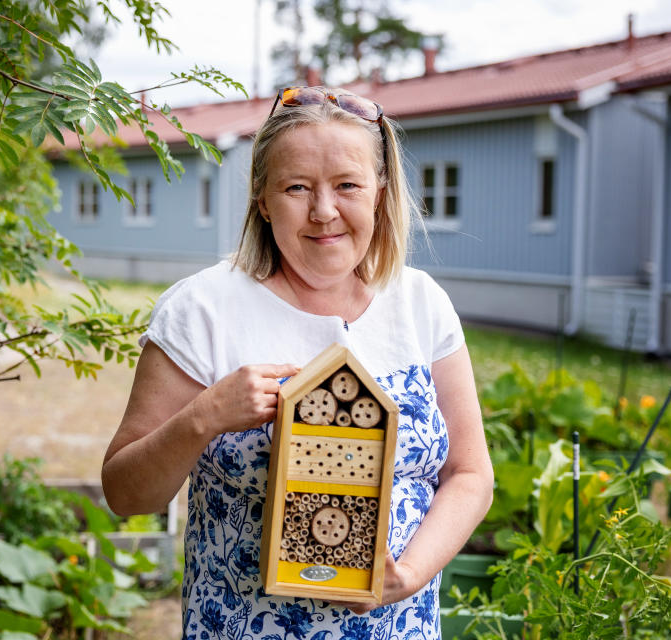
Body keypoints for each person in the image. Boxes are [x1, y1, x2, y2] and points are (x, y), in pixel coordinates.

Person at [101, 86, 494, 640]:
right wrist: (203, 417)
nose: (324, 210)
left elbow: (470, 474)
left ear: (380, 193)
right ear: (263, 199)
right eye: (297, 187)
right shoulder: (203, 309)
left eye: (347, 185)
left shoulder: (420, 304)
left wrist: (408, 574)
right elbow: (125, 495)